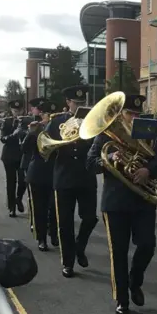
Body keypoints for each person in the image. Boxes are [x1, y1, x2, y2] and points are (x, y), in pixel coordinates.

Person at [87, 94, 157, 314]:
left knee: (147, 245)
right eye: (129, 113)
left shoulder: (149, 133)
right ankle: (122, 300)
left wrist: (149, 171)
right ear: (120, 114)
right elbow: (90, 163)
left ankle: (135, 281)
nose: (133, 117)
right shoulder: (105, 135)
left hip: (143, 201)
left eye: (136, 114)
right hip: (115, 203)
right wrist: (109, 158)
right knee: (118, 253)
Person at [46, 86, 98, 278]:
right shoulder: (57, 121)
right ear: (68, 102)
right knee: (65, 223)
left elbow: (97, 146)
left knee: (90, 217)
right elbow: (47, 147)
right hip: (64, 177)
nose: (79, 106)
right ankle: (68, 262)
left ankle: (79, 247)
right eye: (76, 103)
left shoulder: (91, 122)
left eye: (82, 103)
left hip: (86, 176)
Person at [22, 102, 58, 251]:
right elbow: (25, 149)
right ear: (41, 115)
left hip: (55, 173)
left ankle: (55, 235)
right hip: (37, 173)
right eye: (45, 114)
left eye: (50, 115)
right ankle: (41, 239)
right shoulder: (36, 129)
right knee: (39, 208)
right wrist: (31, 132)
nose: (48, 117)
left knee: (54, 208)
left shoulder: (59, 128)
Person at [0, 99, 26, 217]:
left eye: (19, 110)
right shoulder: (7, 122)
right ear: (11, 110)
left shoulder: (26, 121)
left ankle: (18, 198)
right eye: (15, 110)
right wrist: (13, 135)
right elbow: (3, 139)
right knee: (11, 182)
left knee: (23, 180)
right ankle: (11, 207)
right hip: (9, 156)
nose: (17, 112)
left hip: (22, 155)